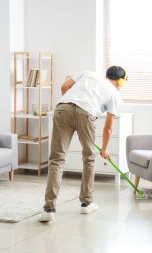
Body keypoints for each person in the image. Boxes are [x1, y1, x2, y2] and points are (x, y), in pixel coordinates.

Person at [38, 66, 127, 222]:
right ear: (120, 81)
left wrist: (72, 107)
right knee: (88, 158)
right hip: (86, 113)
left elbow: (64, 86)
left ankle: (49, 208)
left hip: (63, 108)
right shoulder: (114, 94)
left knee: (57, 159)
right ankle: (86, 203)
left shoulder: (88, 73)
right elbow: (108, 129)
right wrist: (104, 149)